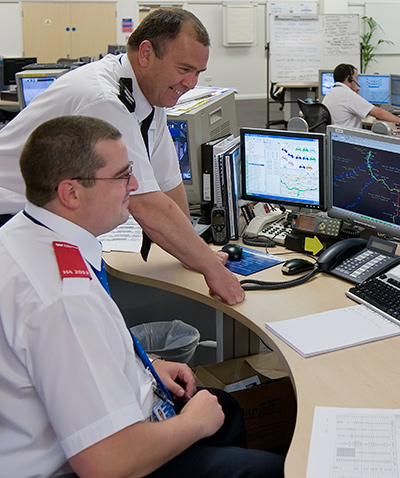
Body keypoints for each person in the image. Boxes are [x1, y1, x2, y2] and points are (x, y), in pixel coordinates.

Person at [0, 115, 285, 478]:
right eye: (122, 176)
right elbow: (108, 464)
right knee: (267, 468)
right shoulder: (61, 300)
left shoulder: (26, 235)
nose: (134, 185)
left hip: (82, 433)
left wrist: (141, 365)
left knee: (224, 408)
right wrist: (195, 424)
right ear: (70, 193)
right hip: (101, 462)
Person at [0, 7, 245, 306]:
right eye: (183, 70)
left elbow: (167, 181)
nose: (191, 83)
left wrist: (195, 255)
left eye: (197, 72)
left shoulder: (148, 97)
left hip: (47, 215)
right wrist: (209, 267)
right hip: (13, 215)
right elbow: (144, 203)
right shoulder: (105, 99)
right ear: (146, 54)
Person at [322, 63, 400, 129]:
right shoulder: (347, 95)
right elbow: (378, 113)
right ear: (350, 79)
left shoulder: (331, 93)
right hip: (349, 141)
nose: (357, 81)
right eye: (356, 78)